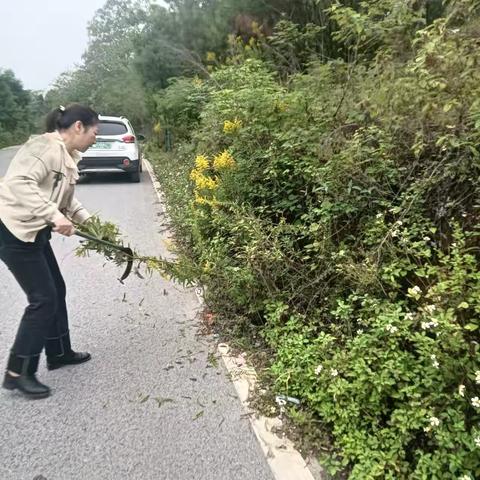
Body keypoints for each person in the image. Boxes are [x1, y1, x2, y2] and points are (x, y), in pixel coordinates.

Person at [0, 104, 99, 399]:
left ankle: (58, 352)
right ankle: (18, 372)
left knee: (57, 289)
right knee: (43, 299)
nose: (96, 138)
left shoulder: (68, 157)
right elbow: (18, 182)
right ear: (78, 126)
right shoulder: (43, 148)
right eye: (95, 132)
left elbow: (67, 202)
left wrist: (93, 226)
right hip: (13, 230)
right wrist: (52, 215)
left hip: (35, 231)